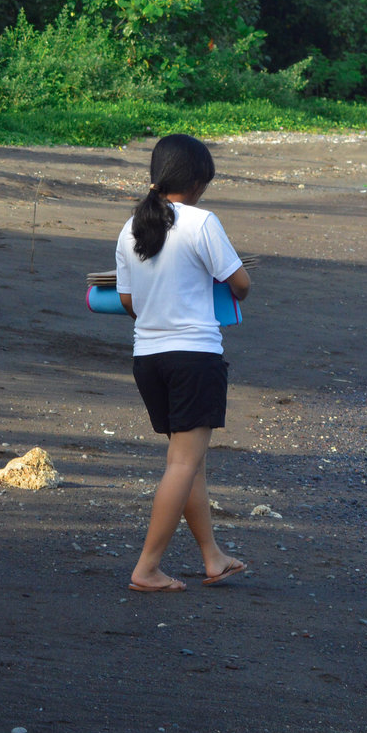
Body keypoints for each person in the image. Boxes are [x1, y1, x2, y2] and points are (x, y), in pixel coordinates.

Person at [115, 134, 251, 593]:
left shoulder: (131, 227)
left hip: (148, 359)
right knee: (182, 464)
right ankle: (147, 568)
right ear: (197, 182)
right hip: (194, 355)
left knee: (188, 462)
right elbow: (242, 283)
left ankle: (213, 557)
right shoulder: (201, 222)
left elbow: (129, 301)